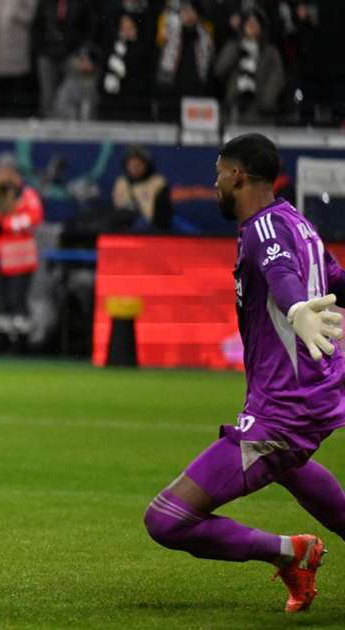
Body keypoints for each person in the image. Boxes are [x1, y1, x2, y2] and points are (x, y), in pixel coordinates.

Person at [143, 133, 345, 614]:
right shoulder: (300, 225)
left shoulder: (264, 229)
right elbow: (337, 283)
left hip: (285, 409)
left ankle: (291, 552)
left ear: (237, 175)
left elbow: (282, 276)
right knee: (293, 469)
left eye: (217, 174)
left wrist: (295, 305)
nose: (214, 184)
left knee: (166, 520)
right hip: (310, 395)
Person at [0, 155, 42, 350]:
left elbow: (33, 218)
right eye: (2, 171)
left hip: (20, 258)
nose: (5, 176)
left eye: (9, 171)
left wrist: (7, 225)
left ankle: (21, 340)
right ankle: (2, 338)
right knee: (0, 301)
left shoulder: (25, 194)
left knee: (17, 299)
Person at [214, 9, 285, 125]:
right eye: (249, 23)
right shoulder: (233, 46)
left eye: (255, 24)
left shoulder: (270, 51)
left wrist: (267, 102)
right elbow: (219, 70)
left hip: (260, 111)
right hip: (235, 108)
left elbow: (278, 78)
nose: (251, 27)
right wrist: (237, 49)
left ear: (261, 28)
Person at [111, 145, 173, 231]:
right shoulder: (121, 182)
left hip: (148, 233)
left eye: (138, 165)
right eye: (131, 165)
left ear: (146, 164)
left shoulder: (157, 183)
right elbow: (114, 209)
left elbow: (163, 217)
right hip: (122, 231)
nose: (135, 168)